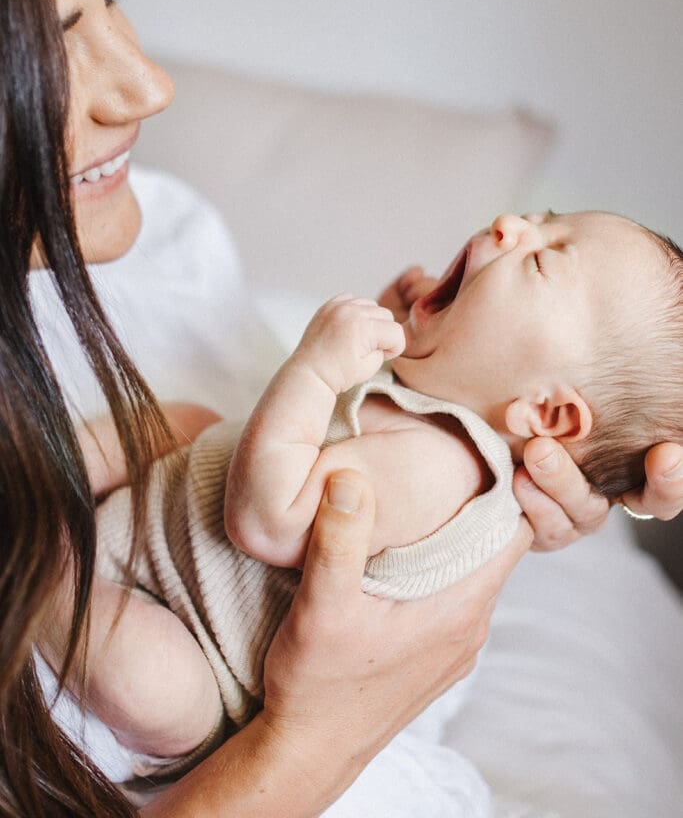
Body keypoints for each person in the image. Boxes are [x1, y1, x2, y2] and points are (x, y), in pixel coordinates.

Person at [1, 0, 681, 815]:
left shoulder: (160, 227)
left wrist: (519, 516)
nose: (149, 85)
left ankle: (57, 571)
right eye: (51, 46)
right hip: (201, 588)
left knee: (155, 667)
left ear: (550, 415)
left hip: (197, 643)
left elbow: (284, 504)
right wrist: (301, 748)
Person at [58, 208, 681, 774]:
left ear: (548, 416)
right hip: (167, 517)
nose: (510, 224)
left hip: (191, 632)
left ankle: (48, 573)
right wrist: (395, 331)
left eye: (543, 257)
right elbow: (358, 412)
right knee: (184, 419)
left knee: (159, 690)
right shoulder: (438, 404)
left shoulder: (436, 471)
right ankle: (39, 473)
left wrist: (317, 365)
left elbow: (268, 522)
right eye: (544, 218)